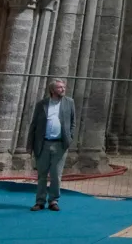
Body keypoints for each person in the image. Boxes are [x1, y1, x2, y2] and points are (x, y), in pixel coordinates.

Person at [27, 78, 75, 211]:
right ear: (52, 90)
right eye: (60, 87)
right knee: (42, 175)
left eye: (63, 87)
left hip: (60, 145)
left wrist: (69, 138)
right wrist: (30, 145)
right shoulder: (42, 104)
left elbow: (72, 122)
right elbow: (34, 125)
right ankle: (40, 201)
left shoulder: (69, 102)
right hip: (43, 144)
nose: (63, 89)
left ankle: (53, 200)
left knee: (56, 175)